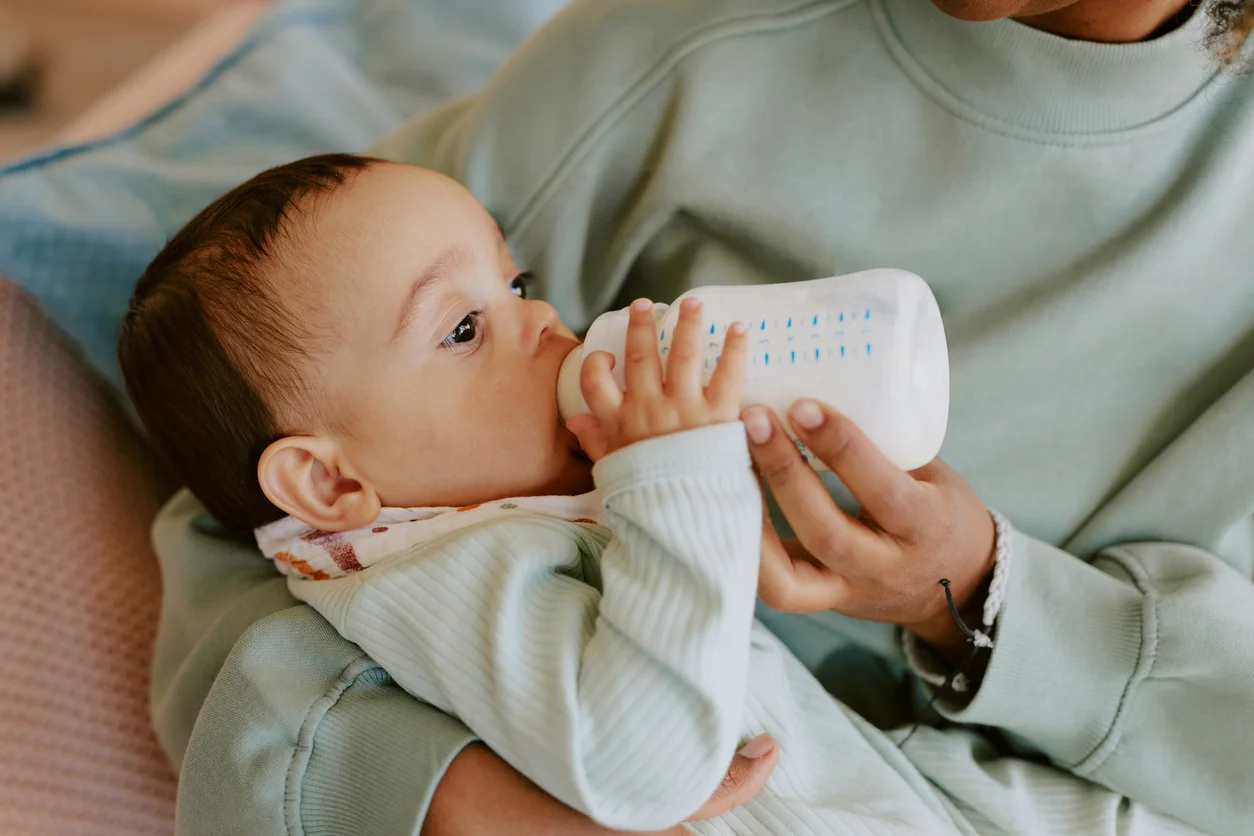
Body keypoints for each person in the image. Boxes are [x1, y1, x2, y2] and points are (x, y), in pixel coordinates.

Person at [148, 1, 1254, 834]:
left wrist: (981, 593)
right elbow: (256, 466)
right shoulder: (692, 44)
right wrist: (430, 790)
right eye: (477, 323)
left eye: (525, 289)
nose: (551, 327)